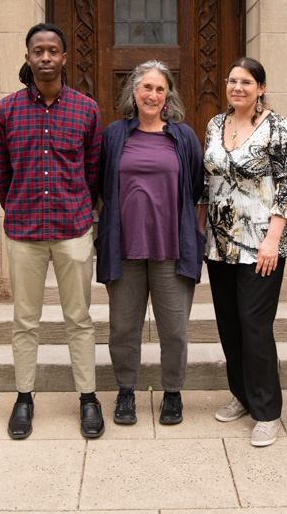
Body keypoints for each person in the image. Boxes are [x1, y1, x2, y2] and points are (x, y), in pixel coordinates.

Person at [0, 22, 104, 440]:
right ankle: (24, 398)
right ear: (27, 57)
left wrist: (80, 209)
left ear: (63, 57)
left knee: (79, 318)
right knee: (25, 320)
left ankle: (88, 398)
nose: (45, 57)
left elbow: (93, 173)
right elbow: (2, 174)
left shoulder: (86, 109)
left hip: (73, 229)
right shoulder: (7, 110)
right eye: (37, 51)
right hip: (23, 232)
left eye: (52, 51)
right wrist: (20, 208)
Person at [95, 61, 206, 427]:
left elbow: (195, 186)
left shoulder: (183, 136)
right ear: (134, 93)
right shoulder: (114, 135)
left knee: (174, 328)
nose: (153, 95)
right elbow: (100, 184)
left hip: (171, 248)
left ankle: (172, 393)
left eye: (160, 89)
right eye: (146, 88)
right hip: (124, 247)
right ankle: (126, 391)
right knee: (123, 328)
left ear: (168, 95)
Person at [203, 57, 287, 447]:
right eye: (231, 80)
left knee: (255, 326)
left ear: (260, 87)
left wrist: (273, 239)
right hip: (219, 243)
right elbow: (207, 180)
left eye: (246, 81)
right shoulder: (214, 124)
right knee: (228, 324)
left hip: (261, 244)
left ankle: (267, 411)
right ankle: (242, 395)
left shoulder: (277, 127)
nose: (237, 87)